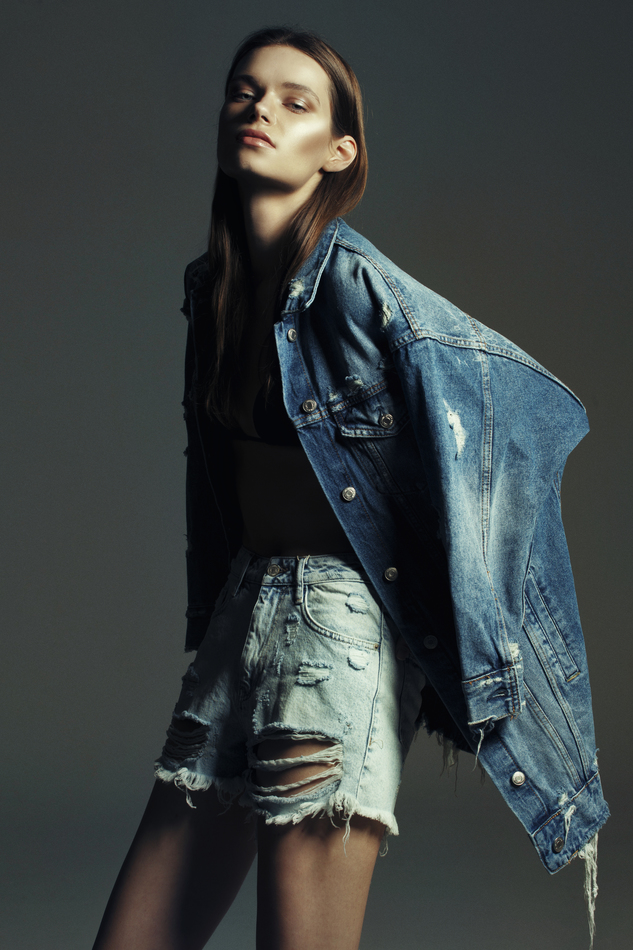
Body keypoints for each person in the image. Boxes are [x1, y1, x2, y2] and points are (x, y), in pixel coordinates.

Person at [93, 27, 609, 950]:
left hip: (334, 636)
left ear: (338, 152)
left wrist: (473, 632)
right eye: (245, 92)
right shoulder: (214, 291)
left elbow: (514, 414)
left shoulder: (357, 288)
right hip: (241, 618)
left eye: (295, 102)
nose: (260, 109)